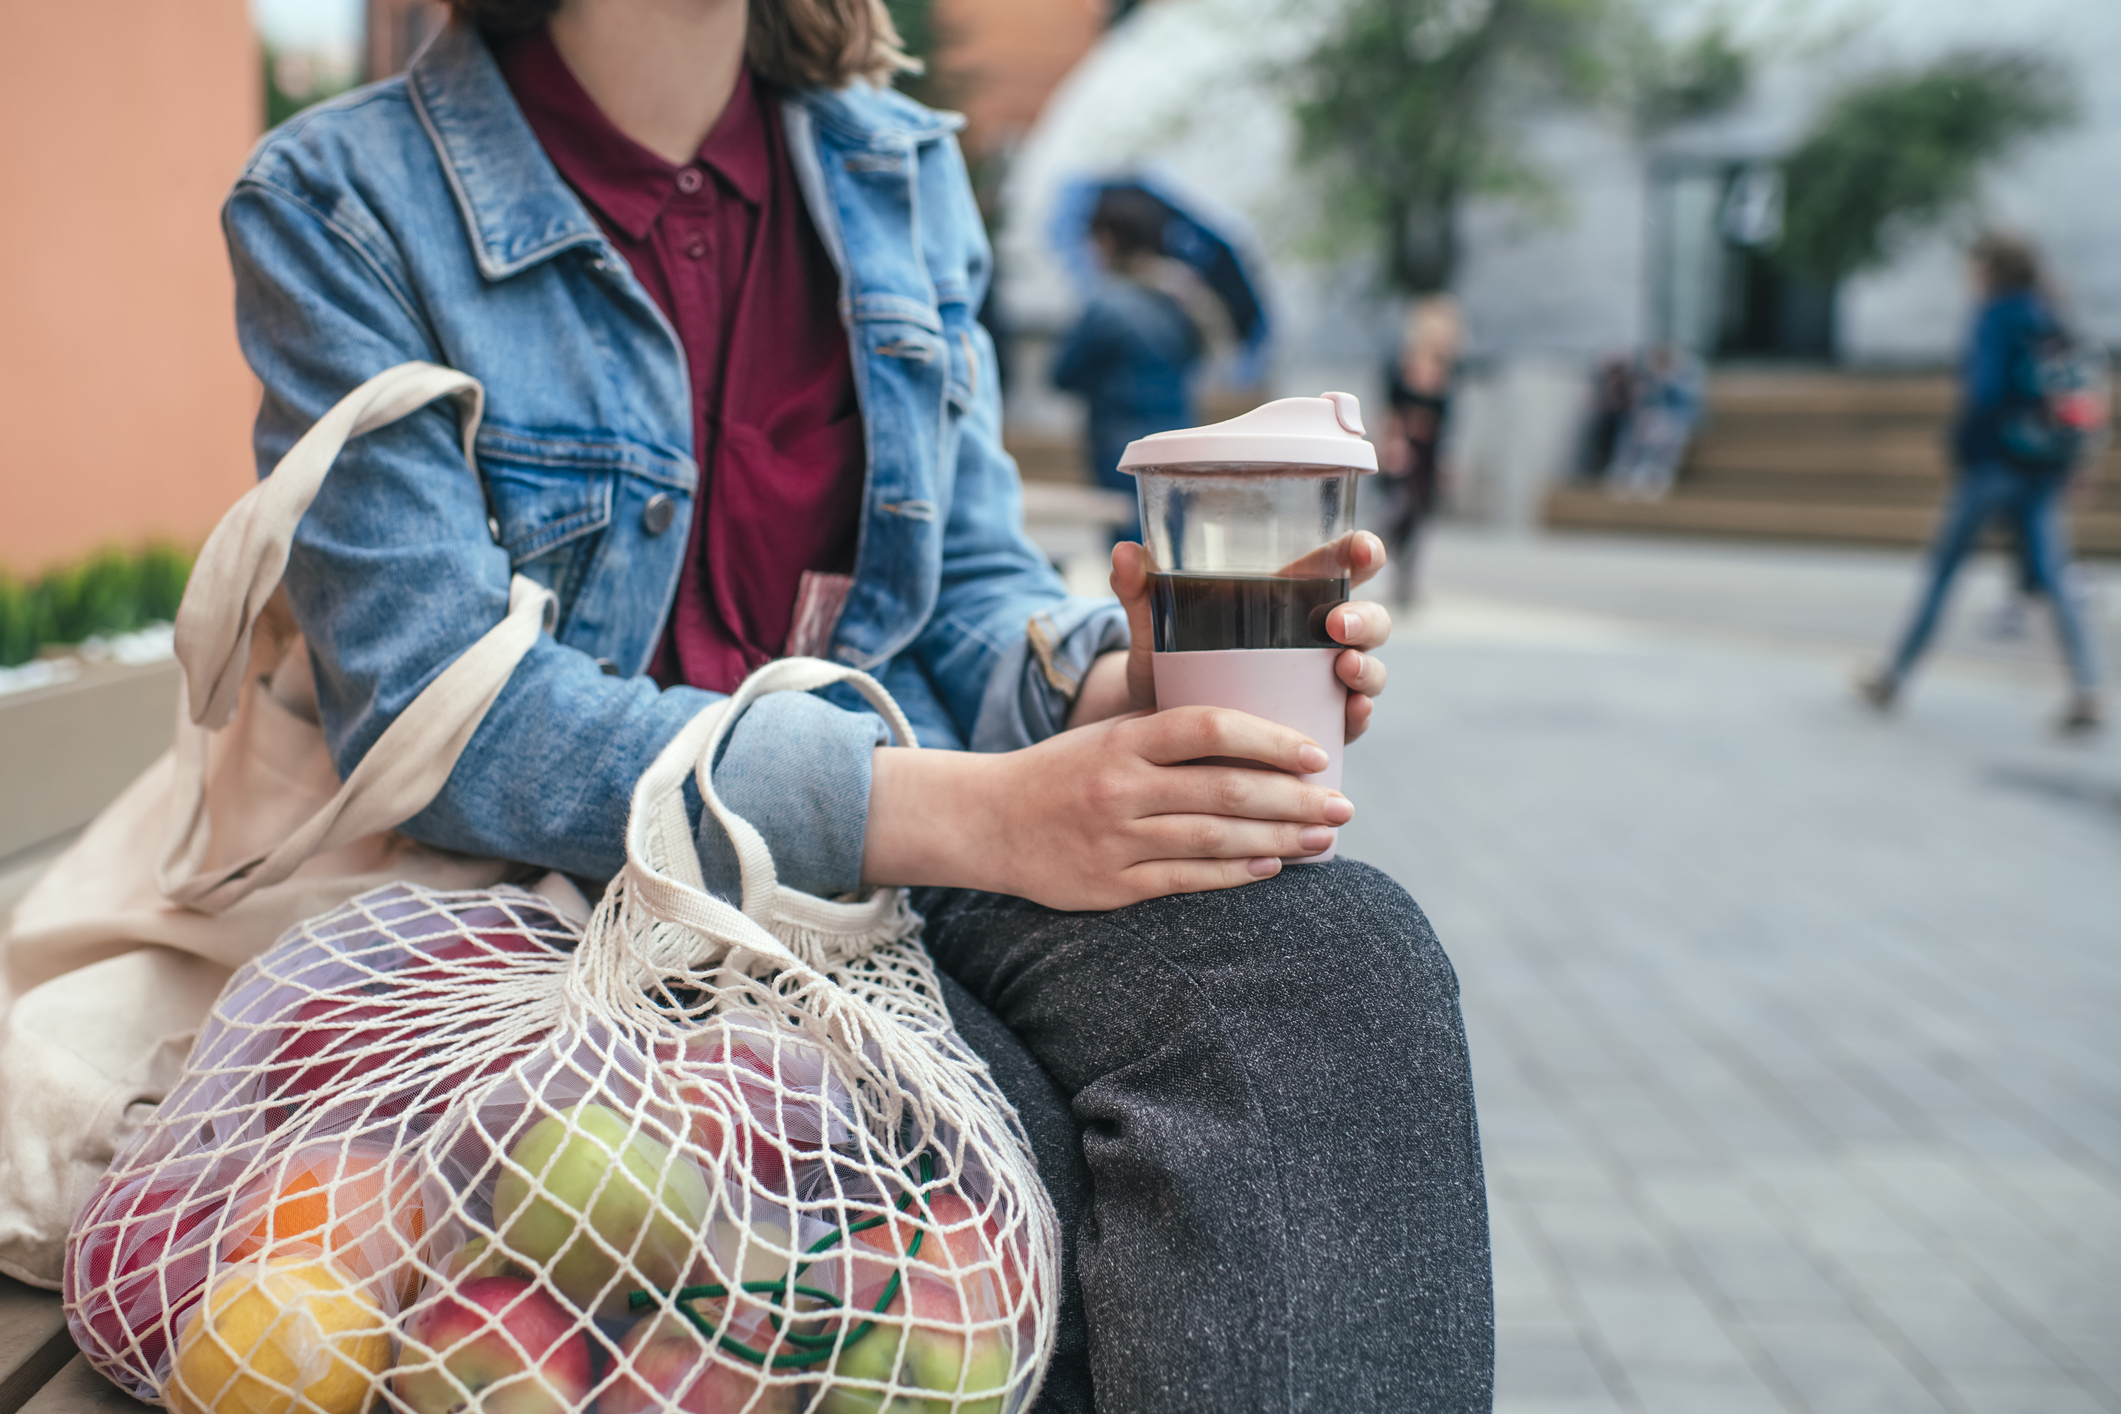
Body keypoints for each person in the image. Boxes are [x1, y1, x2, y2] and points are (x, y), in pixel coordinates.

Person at [222, 1, 1494, 1409]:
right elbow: (441, 717)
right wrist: (980, 814)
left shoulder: (895, 168)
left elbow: (960, 593)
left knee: (1332, 953)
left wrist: (1124, 679)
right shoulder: (341, 200)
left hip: (921, 869)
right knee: (1008, 1178)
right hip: (580, 908)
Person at [1860, 233, 2104, 733]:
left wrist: (1963, 447)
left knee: (1945, 569)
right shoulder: (2049, 314)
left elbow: (1986, 391)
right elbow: (2073, 392)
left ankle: (1895, 676)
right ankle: (2087, 688)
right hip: (2044, 465)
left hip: (1994, 463)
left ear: (1990, 270)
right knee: (2054, 576)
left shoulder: (1994, 316)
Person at [1051, 187, 1220, 543]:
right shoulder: (1182, 298)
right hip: (1180, 440)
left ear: (1108, 239)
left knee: (1130, 553)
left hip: (1122, 450)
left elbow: (1061, 374)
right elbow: (1204, 356)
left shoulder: (1107, 306)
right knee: (1174, 552)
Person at [1379, 296, 1462, 605]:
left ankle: (1407, 582)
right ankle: (1384, 566)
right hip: (1405, 449)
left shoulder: (1447, 372)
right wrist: (1392, 444)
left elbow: (1449, 421)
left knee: (1421, 518)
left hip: (1430, 452)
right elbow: (1389, 410)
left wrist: (1447, 461)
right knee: (1397, 511)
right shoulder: (1400, 365)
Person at [1605, 344, 1705, 501]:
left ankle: (1658, 473)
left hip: (1678, 423)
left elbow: (1691, 410)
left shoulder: (1686, 379)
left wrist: (1668, 385)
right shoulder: (1647, 379)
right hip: (1651, 422)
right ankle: (1625, 469)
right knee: (1634, 425)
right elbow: (1638, 404)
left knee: (1667, 431)